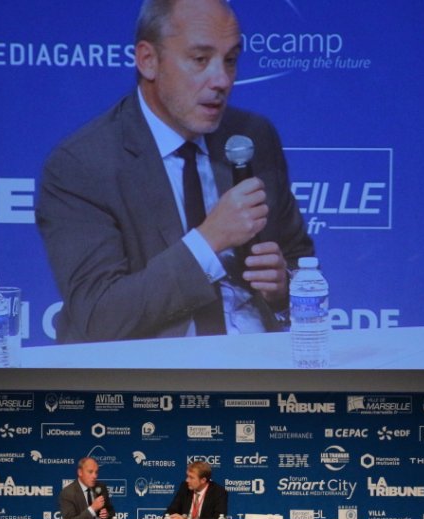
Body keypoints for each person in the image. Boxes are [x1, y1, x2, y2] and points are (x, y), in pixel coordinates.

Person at [37, 0, 315, 343]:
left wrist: (283, 286)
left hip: (258, 361)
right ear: (147, 60)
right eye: (200, 60)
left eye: (230, 60)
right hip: (151, 376)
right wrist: (209, 240)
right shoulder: (82, 165)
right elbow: (99, 316)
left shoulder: (253, 136)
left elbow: (301, 262)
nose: (222, 80)